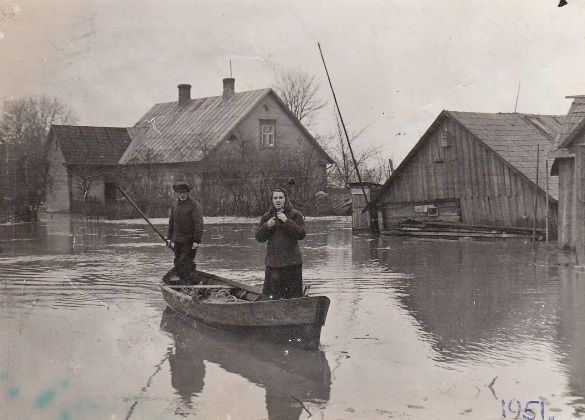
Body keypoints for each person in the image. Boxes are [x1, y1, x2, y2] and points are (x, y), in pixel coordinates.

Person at [255, 187, 306, 299]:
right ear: (272, 200)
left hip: (292, 264)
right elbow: (259, 238)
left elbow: (302, 234)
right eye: (275, 198)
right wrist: (266, 226)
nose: (278, 200)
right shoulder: (267, 217)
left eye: (280, 197)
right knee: (270, 298)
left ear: (285, 199)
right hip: (273, 265)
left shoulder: (295, 214)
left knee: (294, 298)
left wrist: (286, 221)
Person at [167, 181, 203, 281]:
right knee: (177, 261)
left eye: (184, 192)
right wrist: (169, 238)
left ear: (187, 192)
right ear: (177, 193)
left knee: (184, 262)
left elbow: (199, 224)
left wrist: (197, 241)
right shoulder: (174, 205)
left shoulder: (195, 205)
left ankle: (187, 284)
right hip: (177, 240)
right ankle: (182, 284)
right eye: (179, 192)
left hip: (190, 241)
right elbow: (171, 222)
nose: (181, 194)